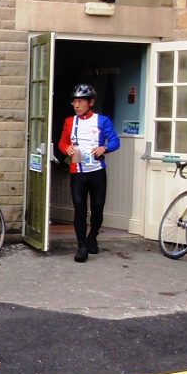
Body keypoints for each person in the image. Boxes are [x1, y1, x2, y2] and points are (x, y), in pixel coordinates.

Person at [56, 83, 120, 264]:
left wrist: (104, 148)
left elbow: (115, 141)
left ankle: (92, 236)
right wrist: (66, 148)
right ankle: (82, 245)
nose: (76, 105)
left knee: (98, 207)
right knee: (79, 209)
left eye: (80, 102)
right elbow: (61, 143)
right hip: (78, 171)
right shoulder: (69, 121)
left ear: (90, 102)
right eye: (74, 102)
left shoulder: (102, 120)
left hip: (97, 171)